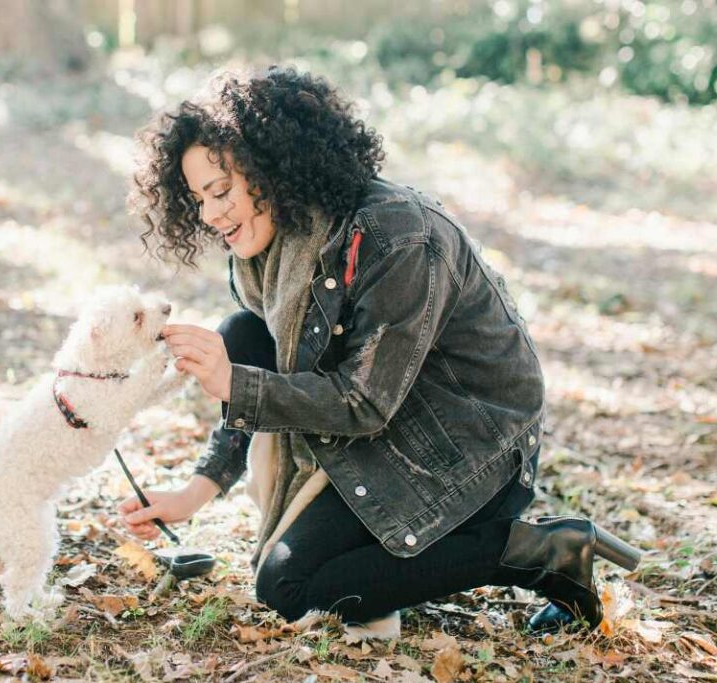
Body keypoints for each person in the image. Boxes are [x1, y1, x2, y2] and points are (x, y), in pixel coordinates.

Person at [119, 65, 639, 635]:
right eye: (198, 199)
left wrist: (233, 384)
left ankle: (540, 552)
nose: (211, 214)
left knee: (288, 589)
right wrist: (195, 491)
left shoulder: (396, 237)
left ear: (271, 169)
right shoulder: (272, 248)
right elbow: (258, 354)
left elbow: (363, 404)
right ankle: (387, 566)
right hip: (390, 428)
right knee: (242, 332)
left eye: (220, 191)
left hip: (469, 452)